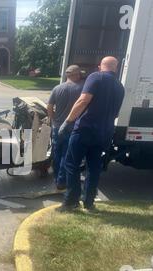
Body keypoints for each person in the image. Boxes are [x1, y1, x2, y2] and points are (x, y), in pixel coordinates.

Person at [58, 57, 125, 211]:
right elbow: (115, 114)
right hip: (104, 134)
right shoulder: (120, 87)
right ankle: (89, 202)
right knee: (94, 168)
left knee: (71, 164)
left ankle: (71, 201)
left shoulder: (96, 77)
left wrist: (67, 122)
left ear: (100, 66)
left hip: (85, 130)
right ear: (116, 68)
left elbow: (83, 101)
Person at [47, 65, 83, 189]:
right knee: (66, 154)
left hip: (57, 126)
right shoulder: (81, 89)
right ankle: (61, 181)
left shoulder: (57, 88)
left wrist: (53, 119)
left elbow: (49, 107)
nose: (80, 76)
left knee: (57, 152)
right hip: (72, 126)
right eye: (79, 74)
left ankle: (57, 177)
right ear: (75, 75)